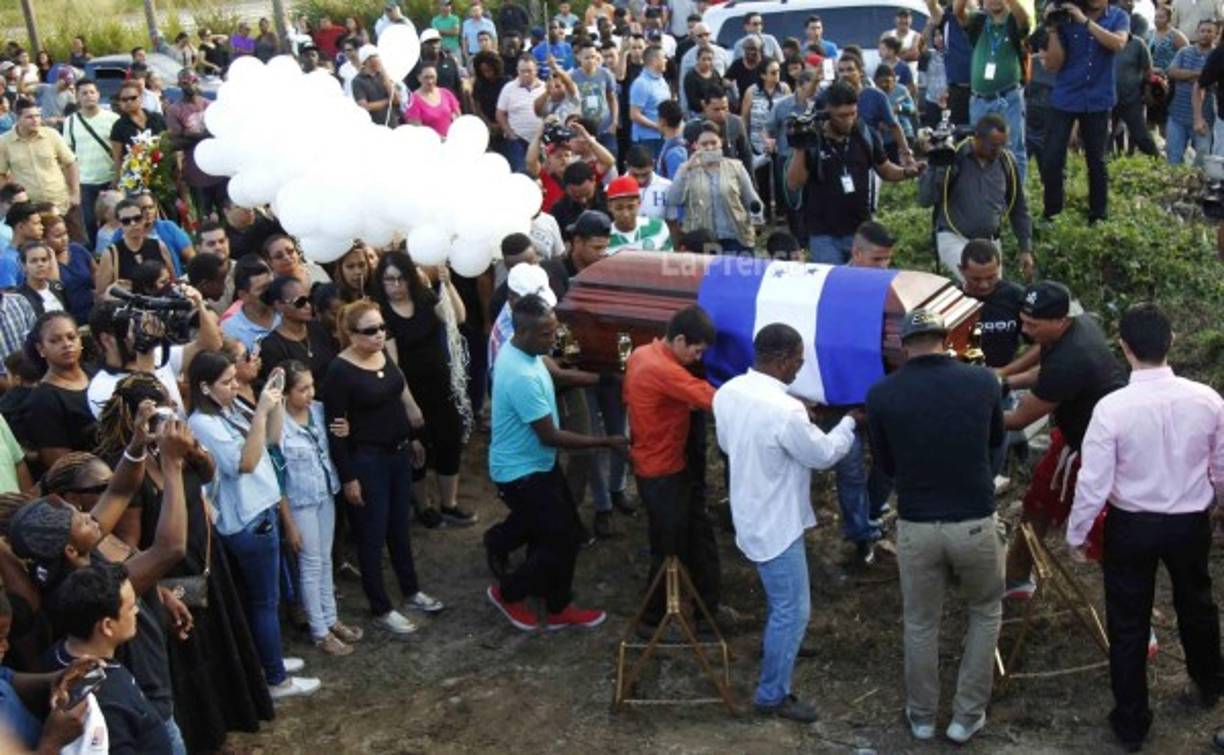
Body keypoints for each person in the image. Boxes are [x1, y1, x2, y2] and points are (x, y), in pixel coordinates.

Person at [1064, 303, 1224, 751]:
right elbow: (1222, 464)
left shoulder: (1112, 408)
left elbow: (1094, 482)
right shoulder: (1206, 398)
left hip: (1131, 525)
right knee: (1198, 604)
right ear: (1171, 341)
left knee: (1129, 622)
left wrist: (1077, 535)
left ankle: (1132, 722)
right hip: (1190, 522)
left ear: (1124, 348)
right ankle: (1209, 683)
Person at [86, 375, 275, 749]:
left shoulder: (178, 448)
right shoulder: (132, 466)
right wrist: (159, 590)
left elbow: (206, 475)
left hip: (205, 565)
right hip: (169, 583)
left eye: (170, 408)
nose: (168, 419)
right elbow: (128, 548)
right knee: (188, 669)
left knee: (217, 653)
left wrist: (189, 450)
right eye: (159, 413)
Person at [866, 309, 1005, 744]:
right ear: (947, 339)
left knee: (922, 623)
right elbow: (996, 440)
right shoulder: (983, 382)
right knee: (984, 613)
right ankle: (967, 717)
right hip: (975, 522)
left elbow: (885, 465)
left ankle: (922, 717)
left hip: (918, 526)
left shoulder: (882, 394)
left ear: (904, 345)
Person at [713, 323, 858, 722]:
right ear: (780, 360)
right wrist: (849, 422)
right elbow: (823, 455)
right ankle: (772, 694)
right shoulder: (786, 410)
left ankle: (783, 644)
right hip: (777, 522)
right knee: (792, 609)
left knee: (783, 602)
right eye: (797, 359)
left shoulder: (728, 392)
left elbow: (728, 445)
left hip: (750, 508)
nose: (801, 366)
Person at [483, 294, 623, 631]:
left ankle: (558, 604)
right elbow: (552, 436)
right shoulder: (520, 375)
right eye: (547, 334)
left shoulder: (525, 353)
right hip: (521, 473)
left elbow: (559, 375)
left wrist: (605, 380)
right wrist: (606, 442)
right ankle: (508, 593)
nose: (554, 338)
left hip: (537, 465)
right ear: (524, 333)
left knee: (563, 533)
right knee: (560, 538)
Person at [187, 352, 321, 699]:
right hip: (247, 520)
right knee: (263, 602)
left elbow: (272, 439)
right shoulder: (203, 422)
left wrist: (272, 402)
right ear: (204, 387)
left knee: (265, 601)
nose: (235, 386)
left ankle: (268, 660)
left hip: (263, 510)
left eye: (235, 379)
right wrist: (261, 410)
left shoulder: (230, 409)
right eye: (227, 382)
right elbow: (245, 463)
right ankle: (275, 679)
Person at [322, 301, 442, 636]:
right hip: (367, 460)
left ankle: (411, 589)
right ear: (351, 334)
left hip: (398, 453)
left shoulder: (383, 356)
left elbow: (399, 399)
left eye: (381, 328)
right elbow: (336, 431)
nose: (379, 335)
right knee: (372, 535)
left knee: (399, 527)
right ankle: (381, 606)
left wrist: (414, 437)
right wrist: (349, 478)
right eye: (370, 331)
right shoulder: (339, 372)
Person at [1000, 281, 1126, 598]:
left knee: (1104, 535)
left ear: (1061, 320)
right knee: (1038, 501)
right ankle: (1016, 577)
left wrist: (970, 409)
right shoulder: (1075, 324)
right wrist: (1003, 380)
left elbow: (1018, 419)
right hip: (1073, 439)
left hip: (1100, 452)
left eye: (1033, 325)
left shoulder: (1072, 359)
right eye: (1023, 321)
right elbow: (1045, 368)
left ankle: (1136, 615)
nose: (1026, 331)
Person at [624, 305, 718, 633]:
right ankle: (651, 620)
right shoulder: (665, 370)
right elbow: (712, 399)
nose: (698, 358)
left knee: (682, 538)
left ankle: (696, 607)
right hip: (663, 471)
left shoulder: (641, 354)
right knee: (669, 547)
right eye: (697, 350)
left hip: (654, 464)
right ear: (679, 339)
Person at [375, 251, 476, 527]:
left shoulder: (425, 298)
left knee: (449, 442)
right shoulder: (382, 315)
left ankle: (449, 503)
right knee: (418, 451)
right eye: (388, 280)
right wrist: (409, 404)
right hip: (410, 392)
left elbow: (457, 317)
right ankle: (424, 506)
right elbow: (393, 366)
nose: (395, 286)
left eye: (400, 279)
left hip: (441, 387)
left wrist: (448, 284)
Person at [278, 360, 364, 657]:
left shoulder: (319, 411)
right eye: (302, 389)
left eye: (311, 386)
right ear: (285, 393)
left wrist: (346, 430)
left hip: (325, 493)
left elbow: (339, 442)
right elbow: (277, 478)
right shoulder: (277, 425)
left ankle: (330, 618)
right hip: (300, 502)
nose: (310, 393)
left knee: (324, 559)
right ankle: (319, 629)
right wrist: (287, 520)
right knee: (311, 564)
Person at [786, 81, 925, 264]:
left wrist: (907, 172)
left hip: (860, 230)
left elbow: (884, 169)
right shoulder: (813, 139)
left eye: (853, 113)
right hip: (823, 233)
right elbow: (794, 183)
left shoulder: (865, 133)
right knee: (834, 288)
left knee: (863, 284)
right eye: (842, 116)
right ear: (827, 112)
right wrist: (800, 148)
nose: (849, 120)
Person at [1040, 0, 1129, 223]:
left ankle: (1098, 216)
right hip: (1066, 96)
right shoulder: (1066, 16)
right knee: (1052, 158)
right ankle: (1052, 213)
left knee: (1097, 161)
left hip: (1099, 99)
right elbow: (1053, 65)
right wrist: (1052, 28)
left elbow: (1118, 43)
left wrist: (1084, 21)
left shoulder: (1118, 16)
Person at [917, 113, 1033, 281]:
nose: (998, 150)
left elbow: (1019, 207)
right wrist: (938, 166)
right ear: (976, 138)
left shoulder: (1006, 161)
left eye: (1002, 145)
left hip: (990, 243)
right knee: (978, 279)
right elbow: (925, 199)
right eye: (993, 146)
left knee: (992, 290)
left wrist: (1025, 249)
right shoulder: (955, 154)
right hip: (955, 237)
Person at [85, 283, 221, 418]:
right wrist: (145, 350)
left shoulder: (157, 356)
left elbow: (210, 345)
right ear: (107, 340)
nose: (138, 330)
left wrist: (199, 304)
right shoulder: (102, 387)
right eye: (130, 328)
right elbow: (152, 421)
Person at [955, 0, 1031, 179]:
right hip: (979, 100)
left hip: (1008, 97)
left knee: (1013, 149)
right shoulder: (979, 21)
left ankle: (1016, 199)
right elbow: (958, 12)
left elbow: (1024, 21)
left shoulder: (1013, 21)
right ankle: (985, 194)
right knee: (978, 148)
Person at [668, 122, 761, 253]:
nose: (710, 148)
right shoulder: (686, 169)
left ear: (721, 142)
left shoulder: (736, 167)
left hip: (735, 238)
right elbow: (674, 199)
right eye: (704, 144)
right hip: (702, 241)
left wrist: (755, 225)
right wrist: (687, 170)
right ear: (695, 145)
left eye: (713, 143)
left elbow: (751, 200)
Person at [0, 98, 82, 242]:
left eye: (38, 116)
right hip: (31, 212)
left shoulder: (51, 135)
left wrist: (75, 193)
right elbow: (1, 174)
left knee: (75, 246)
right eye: (29, 117)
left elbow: (71, 163)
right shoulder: (4, 142)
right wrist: (11, 202)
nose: (36, 120)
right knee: (38, 251)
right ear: (17, 118)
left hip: (61, 205)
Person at [23, 312, 96, 469]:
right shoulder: (42, 400)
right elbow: (61, 465)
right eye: (55, 340)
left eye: (71, 337)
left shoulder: (97, 375)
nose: (66, 344)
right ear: (41, 349)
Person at [62, 79, 118, 244]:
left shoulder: (113, 118)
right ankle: (96, 257)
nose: (89, 96)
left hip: (111, 179)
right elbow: (68, 155)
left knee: (116, 220)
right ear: (77, 97)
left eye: (92, 92)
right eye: (84, 93)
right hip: (85, 182)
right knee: (89, 223)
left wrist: (118, 177)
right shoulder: (70, 122)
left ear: (98, 95)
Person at [166, 69, 226, 222]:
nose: (190, 85)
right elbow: (176, 141)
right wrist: (206, 135)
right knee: (203, 215)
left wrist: (190, 135)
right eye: (185, 82)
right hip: (195, 173)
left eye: (193, 80)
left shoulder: (209, 104)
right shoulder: (175, 110)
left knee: (226, 211)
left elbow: (221, 132)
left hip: (219, 170)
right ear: (180, 84)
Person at [257, 276, 337, 387]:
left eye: (309, 299)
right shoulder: (272, 345)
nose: (308, 306)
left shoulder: (320, 328)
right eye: (300, 302)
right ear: (279, 305)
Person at [92, 198, 175, 298]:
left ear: (143, 219)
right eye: (126, 221)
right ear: (119, 224)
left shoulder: (158, 245)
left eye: (137, 218)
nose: (133, 224)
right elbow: (101, 294)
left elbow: (172, 280)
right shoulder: (111, 254)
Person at [1167, 18, 1217, 166]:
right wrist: (1200, 74)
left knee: (1203, 160)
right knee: (1173, 157)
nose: (1205, 34)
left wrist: (1187, 75)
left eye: (1209, 31)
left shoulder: (1217, 55)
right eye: (1202, 31)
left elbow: (1215, 82)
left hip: (1204, 118)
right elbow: (1172, 72)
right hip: (1177, 115)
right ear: (1197, 32)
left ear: (1216, 34)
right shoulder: (1185, 52)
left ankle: (1199, 189)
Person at [1113, 14, 1160, 157]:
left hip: (1131, 98)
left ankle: (1156, 161)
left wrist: (1147, 92)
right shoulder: (1106, 42)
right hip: (1108, 98)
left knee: (1140, 135)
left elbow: (1148, 71)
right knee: (1104, 137)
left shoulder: (1138, 44)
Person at [41, 209, 94, 324]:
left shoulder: (77, 249)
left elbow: (97, 275)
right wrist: (50, 254)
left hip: (91, 314)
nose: (64, 239)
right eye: (57, 236)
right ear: (44, 239)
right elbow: (55, 286)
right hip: (67, 320)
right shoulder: (43, 262)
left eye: (65, 233)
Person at [108, 80, 167, 180]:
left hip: (163, 173)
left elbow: (169, 145)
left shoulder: (157, 119)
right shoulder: (119, 126)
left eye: (133, 98)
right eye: (124, 99)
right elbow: (118, 159)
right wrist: (118, 180)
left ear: (141, 98)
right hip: (135, 178)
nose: (129, 102)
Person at [497, 56, 547, 172]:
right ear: (517, 71)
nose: (525, 74)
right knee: (521, 172)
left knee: (542, 172)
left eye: (529, 71)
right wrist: (509, 133)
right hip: (518, 139)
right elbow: (500, 113)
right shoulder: (508, 88)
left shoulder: (545, 88)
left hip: (541, 140)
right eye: (522, 71)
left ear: (536, 70)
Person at [606, 175, 672, 252]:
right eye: (619, 208)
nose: (625, 214)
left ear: (639, 203)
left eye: (631, 207)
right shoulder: (605, 238)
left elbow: (668, 261)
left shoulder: (659, 227)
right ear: (609, 206)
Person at [629, 46, 672, 156]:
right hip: (646, 139)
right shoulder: (641, 84)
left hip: (663, 136)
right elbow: (634, 115)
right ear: (655, 60)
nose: (666, 60)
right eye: (664, 57)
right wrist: (657, 127)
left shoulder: (662, 81)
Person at [353, 45, 402, 127]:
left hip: (392, 123)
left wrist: (385, 76)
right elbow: (364, 107)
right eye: (375, 57)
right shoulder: (358, 81)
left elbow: (396, 99)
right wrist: (388, 101)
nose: (379, 60)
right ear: (367, 60)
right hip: (374, 126)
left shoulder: (385, 75)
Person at [15, 241, 66, 316]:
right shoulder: (19, 297)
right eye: (34, 261)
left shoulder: (58, 288)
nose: (40, 264)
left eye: (44, 260)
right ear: (24, 266)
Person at [624, 144, 673, 221]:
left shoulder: (667, 187)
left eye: (645, 174)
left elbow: (672, 221)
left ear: (653, 164)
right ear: (626, 166)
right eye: (635, 175)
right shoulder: (615, 189)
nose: (641, 180)